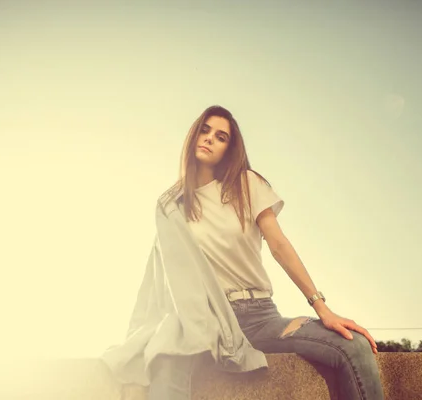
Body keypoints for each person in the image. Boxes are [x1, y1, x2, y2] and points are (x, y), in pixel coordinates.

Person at [149, 105, 384, 399]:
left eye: (221, 137)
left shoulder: (245, 184)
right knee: (163, 361)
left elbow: (279, 245)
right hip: (206, 323)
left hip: (260, 318)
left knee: (354, 345)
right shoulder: (172, 206)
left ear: (228, 149)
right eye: (205, 130)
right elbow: (165, 278)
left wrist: (321, 307)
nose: (209, 139)